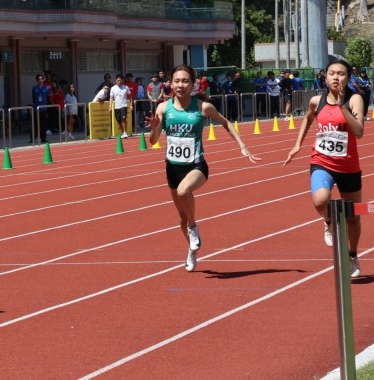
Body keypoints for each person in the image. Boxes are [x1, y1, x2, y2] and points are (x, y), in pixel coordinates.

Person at [147, 65, 259, 272]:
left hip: (196, 166)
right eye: (177, 81)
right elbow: (153, 141)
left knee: (184, 191)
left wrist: (243, 146)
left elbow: (226, 123)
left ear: (193, 84)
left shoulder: (202, 107)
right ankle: (191, 249)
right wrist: (154, 129)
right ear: (170, 84)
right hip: (172, 168)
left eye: (185, 81)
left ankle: (193, 227)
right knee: (182, 218)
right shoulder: (163, 108)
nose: (180, 85)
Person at [284, 58, 365, 277]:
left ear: (348, 78)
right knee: (320, 200)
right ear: (325, 77)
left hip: (348, 166)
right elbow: (308, 119)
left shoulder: (354, 99)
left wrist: (341, 106)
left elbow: (359, 132)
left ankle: (352, 254)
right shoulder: (316, 101)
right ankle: (329, 221)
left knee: (354, 216)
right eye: (332, 73)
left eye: (341, 74)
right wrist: (297, 144)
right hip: (322, 161)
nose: (336, 77)